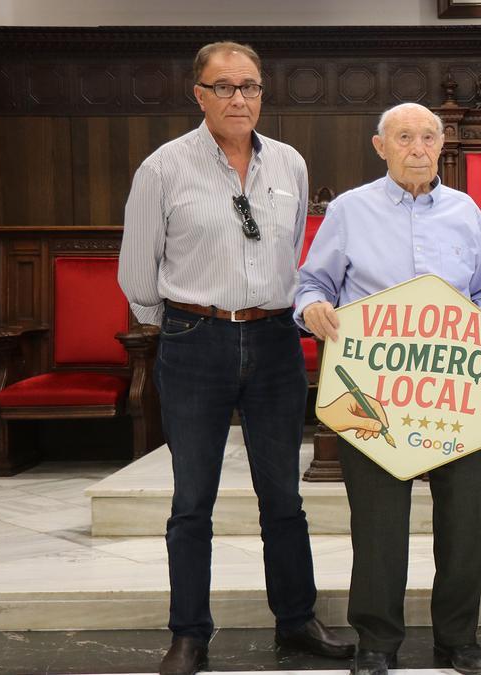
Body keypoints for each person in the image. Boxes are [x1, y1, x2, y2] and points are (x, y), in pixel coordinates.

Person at [118, 42, 354, 675]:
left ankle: (297, 620)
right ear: (197, 94)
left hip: (276, 341)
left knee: (283, 496)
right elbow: (137, 275)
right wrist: (179, 326)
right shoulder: (163, 169)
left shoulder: (290, 164)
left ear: (262, 93)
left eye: (249, 86)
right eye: (223, 87)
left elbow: (294, 256)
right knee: (191, 499)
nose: (238, 99)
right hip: (196, 341)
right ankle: (189, 633)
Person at [296, 102, 481, 675]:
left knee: (464, 523)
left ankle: (459, 640)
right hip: (372, 393)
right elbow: (311, 285)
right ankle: (377, 642)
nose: (417, 147)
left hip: (455, 393)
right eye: (404, 137)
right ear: (381, 146)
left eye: (427, 137)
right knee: (377, 527)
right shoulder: (349, 210)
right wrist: (314, 308)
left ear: (441, 145)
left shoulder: (467, 211)